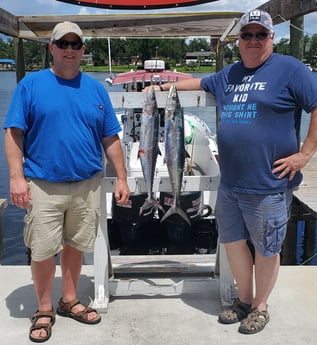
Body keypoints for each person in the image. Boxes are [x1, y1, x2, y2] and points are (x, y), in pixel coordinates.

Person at [144, 9, 317, 334]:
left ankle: (260, 306)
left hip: (269, 183)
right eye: (247, 35)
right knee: (233, 242)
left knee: (267, 247)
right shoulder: (229, 74)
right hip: (231, 183)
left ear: (271, 38)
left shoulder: (290, 70)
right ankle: (243, 299)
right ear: (239, 40)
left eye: (260, 35)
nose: (253, 41)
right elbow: (197, 82)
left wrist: (305, 154)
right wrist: (162, 87)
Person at [4, 21, 130, 342]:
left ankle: (69, 299)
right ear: (52, 48)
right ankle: (43, 308)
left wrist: (122, 178)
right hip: (43, 184)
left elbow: (110, 138)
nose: (70, 50)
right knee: (44, 249)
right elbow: (13, 133)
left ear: (83, 50)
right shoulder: (30, 85)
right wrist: (16, 178)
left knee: (76, 245)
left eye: (76, 45)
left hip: (87, 183)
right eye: (64, 44)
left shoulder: (96, 89)